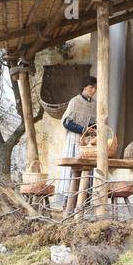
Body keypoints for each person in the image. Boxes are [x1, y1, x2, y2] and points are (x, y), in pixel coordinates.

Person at [55, 76, 97, 208]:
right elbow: (66, 123)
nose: (93, 90)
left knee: (87, 170)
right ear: (84, 87)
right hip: (74, 140)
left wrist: (93, 129)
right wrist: (84, 129)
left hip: (87, 142)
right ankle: (67, 204)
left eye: (95, 88)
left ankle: (83, 202)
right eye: (91, 87)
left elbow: (93, 123)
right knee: (72, 170)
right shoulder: (75, 101)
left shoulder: (94, 104)